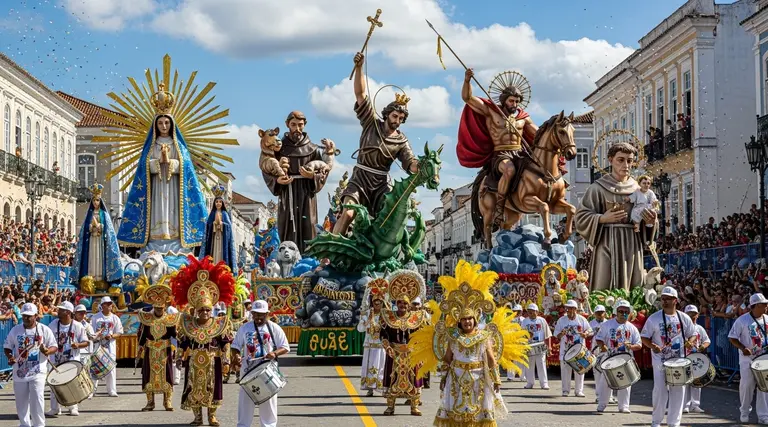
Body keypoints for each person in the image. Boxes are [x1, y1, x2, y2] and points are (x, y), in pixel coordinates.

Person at [333, 51, 418, 236]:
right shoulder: (371, 123)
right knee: (348, 213)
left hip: (381, 184)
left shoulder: (401, 140)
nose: (397, 120)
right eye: (395, 116)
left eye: (401, 118)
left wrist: (422, 166)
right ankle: (329, 253)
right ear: (387, 114)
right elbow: (361, 94)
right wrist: (359, 67)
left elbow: (410, 162)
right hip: (361, 178)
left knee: (391, 217)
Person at [117, 84, 208, 253]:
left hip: (174, 186)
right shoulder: (152, 145)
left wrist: (171, 162)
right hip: (156, 186)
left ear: (171, 124)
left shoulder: (178, 145)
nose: (164, 126)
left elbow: (186, 167)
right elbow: (144, 166)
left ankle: (175, 241)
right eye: (160, 123)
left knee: (173, 210)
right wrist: (158, 162)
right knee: (157, 211)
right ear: (156, 125)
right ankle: (154, 240)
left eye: (166, 122)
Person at [575, 142, 659, 291]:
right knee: (604, 286)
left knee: (633, 288)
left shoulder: (639, 190)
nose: (626, 165)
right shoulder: (598, 188)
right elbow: (581, 216)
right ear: (610, 160)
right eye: (621, 160)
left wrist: (651, 222)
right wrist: (601, 218)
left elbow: (648, 221)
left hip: (631, 244)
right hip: (606, 242)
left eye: (629, 160)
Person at [457, 68, 537, 220]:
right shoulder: (491, 112)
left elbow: (538, 134)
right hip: (501, 154)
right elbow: (468, 98)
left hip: (520, 154)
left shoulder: (523, 118)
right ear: (504, 100)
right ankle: (500, 205)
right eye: (511, 101)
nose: (514, 104)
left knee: (537, 172)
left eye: (517, 101)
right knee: (509, 169)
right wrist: (467, 80)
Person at [172, 255, 235, 426]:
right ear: (196, 310)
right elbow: (182, 343)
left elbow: (226, 343)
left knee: (213, 389)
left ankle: (212, 416)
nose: (205, 313)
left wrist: (226, 359)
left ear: (211, 309)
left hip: (213, 361)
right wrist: (178, 357)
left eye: (207, 310)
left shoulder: (219, 324)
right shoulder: (188, 323)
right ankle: (198, 416)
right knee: (194, 388)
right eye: (201, 310)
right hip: (194, 362)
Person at [262, 110, 336, 252]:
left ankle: (308, 262)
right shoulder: (279, 148)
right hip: (287, 193)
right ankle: (287, 266)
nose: (297, 128)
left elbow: (324, 170)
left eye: (300, 125)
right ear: (287, 125)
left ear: (305, 125)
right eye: (293, 125)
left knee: (308, 226)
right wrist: (277, 180)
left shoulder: (313, 149)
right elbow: (267, 167)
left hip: (306, 194)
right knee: (287, 228)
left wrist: (312, 177)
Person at [641, 286, 697, 427]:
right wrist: (653, 346)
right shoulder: (654, 318)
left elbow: (693, 334)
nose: (664, 301)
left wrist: (690, 343)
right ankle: (656, 421)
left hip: (679, 360)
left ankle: (674, 423)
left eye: (668, 299)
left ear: (675, 301)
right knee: (660, 390)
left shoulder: (684, 318)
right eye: (663, 299)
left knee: (678, 391)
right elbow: (644, 337)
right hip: (660, 360)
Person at [232, 300, 290, 427]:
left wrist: (274, 353)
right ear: (252, 313)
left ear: (267, 314)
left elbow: (285, 347)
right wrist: (236, 355)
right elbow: (235, 346)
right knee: (245, 404)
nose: (258, 317)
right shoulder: (245, 328)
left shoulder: (274, 328)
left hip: (267, 372)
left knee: (268, 404)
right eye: (256, 314)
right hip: (247, 372)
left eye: (262, 314)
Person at [3, 303, 57, 427]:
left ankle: (39, 424)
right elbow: (7, 346)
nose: (26, 318)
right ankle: (24, 424)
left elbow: (54, 345)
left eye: (29, 316)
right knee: (21, 401)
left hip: (38, 370)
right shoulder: (15, 330)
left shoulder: (44, 329)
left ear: (36, 316)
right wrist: (10, 357)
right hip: (20, 372)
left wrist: (48, 351)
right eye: (24, 316)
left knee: (37, 398)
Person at [380, 282, 428, 416]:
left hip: (411, 353)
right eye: (400, 303)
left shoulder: (416, 318)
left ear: (409, 305)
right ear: (397, 303)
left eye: (405, 303)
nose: (403, 306)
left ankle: (414, 406)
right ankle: (390, 406)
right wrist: (387, 346)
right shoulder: (389, 317)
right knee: (392, 377)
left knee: (413, 378)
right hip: (394, 353)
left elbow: (421, 335)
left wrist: (420, 351)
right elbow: (383, 334)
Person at [72, 183, 123, 289]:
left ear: (100, 201)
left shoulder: (104, 214)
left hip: (100, 241)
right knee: (91, 258)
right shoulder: (89, 214)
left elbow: (108, 230)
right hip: (92, 240)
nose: (96, 202)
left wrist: (100, 226)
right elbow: (85, 229)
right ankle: (90, 278)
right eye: (94, 200)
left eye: (98, 200)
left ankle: (101, 279)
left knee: (99, 258)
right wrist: (90, 227)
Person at [594, 300, 642, 413]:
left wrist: (631, 346)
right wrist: (603, 347)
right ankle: (602, 404)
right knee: (605, 383)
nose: (623, 313)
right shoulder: (607, 325)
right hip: (610, 358)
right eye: (621, 311)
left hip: (625, 359)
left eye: (626, 311)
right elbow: (599, 339)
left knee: (625, 383)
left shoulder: (632, 328)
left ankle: (624, 406)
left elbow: (639, 345)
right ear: (616, 311)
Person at [137, 283, 178, 412]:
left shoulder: (169, 319)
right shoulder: (147, 318)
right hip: (150, 350)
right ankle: (150, 402)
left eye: (161, 308)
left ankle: (168, 401)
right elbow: (142, 334)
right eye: (157, 308)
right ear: (153, 306)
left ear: (165, 306)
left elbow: (174, 335)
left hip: (165, 351)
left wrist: (179, 345)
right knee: (149, 375)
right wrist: (140, 347)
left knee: (167, 376)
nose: (159, 310)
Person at [728, 293, 768, 424]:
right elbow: (732, 337)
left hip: (764, 359)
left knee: (764, 387)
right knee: (747, 386)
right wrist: (743, 348)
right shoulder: (742, 320)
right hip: (748, 359)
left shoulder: (767, 319)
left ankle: (763, 416)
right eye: (764, 304)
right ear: (755, 306)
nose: (766, 306)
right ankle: (744, 412)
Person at [46, 301, 88, 417]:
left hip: (71, 360)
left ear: (68, 312)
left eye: (61, 310)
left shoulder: (77, 326)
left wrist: (78, 345)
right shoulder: (53, 324)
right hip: (56, 359)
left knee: (71, 384)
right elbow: (47, 340)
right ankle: (55, 408)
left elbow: (86, 342)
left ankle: (73, 407)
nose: (58, 311)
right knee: (54, 383)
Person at [554, 300, 593, 397]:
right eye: (568, 308)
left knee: (580, 370)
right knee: (565, 370)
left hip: (579, 350)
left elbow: (590, 330)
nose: (570, 310)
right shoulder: (561, 320)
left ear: (576, 309)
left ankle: (578, 391)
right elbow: (556, 335)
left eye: (572, 308)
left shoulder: (582, 319)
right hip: (566, 349)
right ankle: (565, 390)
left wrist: (586, 334)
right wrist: (561, 334)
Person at [199, 185, 237, 273]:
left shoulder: (225, 214)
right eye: (217, 202)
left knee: (220, 253)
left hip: (222, 239)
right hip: (214, 238)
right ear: (214, 203)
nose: (218, 203)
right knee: (213, 254)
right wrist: (213, 225)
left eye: (220, 202)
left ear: (222, 203)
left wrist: (222, 224)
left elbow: (229, 227)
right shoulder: (212, 213)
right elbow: (207, 226)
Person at [90, 296, 123, 397]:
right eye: (107, 304)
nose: (109, 306)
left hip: (110, 347)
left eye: (110, 304)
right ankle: (92, 390)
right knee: (95, 368)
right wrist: (98, 335)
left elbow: (120, 332)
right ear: (102, 305)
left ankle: (112, 390)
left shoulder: (115, 318)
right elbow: (90, 332)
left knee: (111, 368)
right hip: (97, 346)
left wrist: (112, 336)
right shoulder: (95, 317)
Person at [357, 289, 386, 396]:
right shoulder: (367, 313)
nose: (377, 304)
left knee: (382, 366)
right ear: (372, 302)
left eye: (380, 302)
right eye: (375, 302)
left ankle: (382, 387)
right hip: (369, 344)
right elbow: (360, 329)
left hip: (382, 344)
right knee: (369, 366)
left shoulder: (386, 314)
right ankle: (370, 388)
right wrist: (367, 322)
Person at [683, 304, 709, 414]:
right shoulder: (682, 328)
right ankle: (685, 405)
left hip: (697, 358)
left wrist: (703, 346)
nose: (692, 316)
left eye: (694, 314)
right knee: (685, 381)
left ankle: (695, 405)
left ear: (697, 315)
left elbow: (707, 340)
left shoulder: (699, 328)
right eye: (689, 314)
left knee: (697, 381)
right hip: (684, 357)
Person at [522, 303, 551, 390]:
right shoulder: (525, 321)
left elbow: (547, 334)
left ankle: (544, 383)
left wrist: (549, 346)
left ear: (537, 312)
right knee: (529, 364)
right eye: (529, 312)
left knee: (541, 364)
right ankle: (530, 382)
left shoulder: (542, 320)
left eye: (532, 312)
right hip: (529, 345)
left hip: (540, 345)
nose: (531, 313)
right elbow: (521, 334)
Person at [589, 305, 614, 405]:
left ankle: (610, 396)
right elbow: (588, 334)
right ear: (595, 313)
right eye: (598, 312)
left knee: (609, 373)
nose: (600, 314)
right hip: (595, 352)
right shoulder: (591, 323)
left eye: (602, 312)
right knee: (598, 374)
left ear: (605, 313)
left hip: (607, 351)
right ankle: (599, 396)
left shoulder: (609, 323)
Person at [73, 304, 95, 399]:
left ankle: (89, 390)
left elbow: (92, 337)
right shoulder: (71, 324)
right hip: (75, 352)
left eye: (84, 313)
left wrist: (90, 336)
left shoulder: (87, 325)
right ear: (75, 313)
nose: (82, 315)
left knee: (86, 372)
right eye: (80, 313)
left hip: (85, 351)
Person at [507, 304, 527, 382]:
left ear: (521, 311)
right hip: (511, 341)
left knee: (521, 359)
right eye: (514, 311)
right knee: (511, 359)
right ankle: (510, 376)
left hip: (520, 341)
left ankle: (522, 376)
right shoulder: (509, 319)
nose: (516, 313)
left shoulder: (523, 320)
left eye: (517, 311)